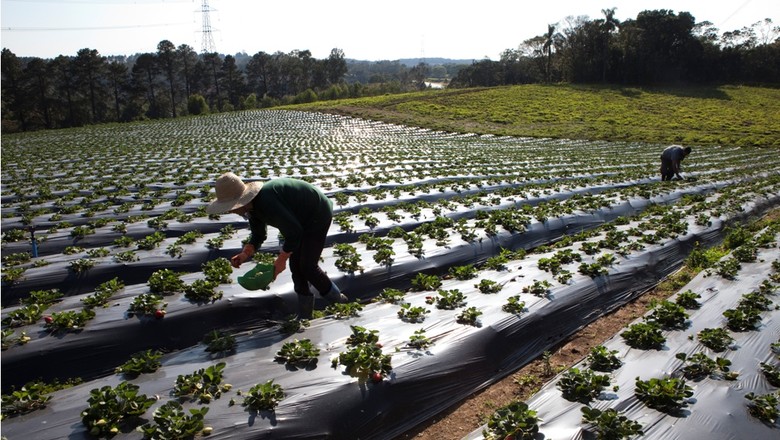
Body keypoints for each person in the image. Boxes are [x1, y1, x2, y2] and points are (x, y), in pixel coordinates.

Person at [206, 172, 347, 319]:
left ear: (240, 200)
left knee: (307, 266)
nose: (231, 210)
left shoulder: (266, 202)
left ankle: (340, 302)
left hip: (317, 213)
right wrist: (245, 254)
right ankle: (306, 315)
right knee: (296, 267)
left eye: (230, 206)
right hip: (299, 219)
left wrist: (281, 260)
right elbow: (258, 235)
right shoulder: (251, 208)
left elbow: (294, 232)